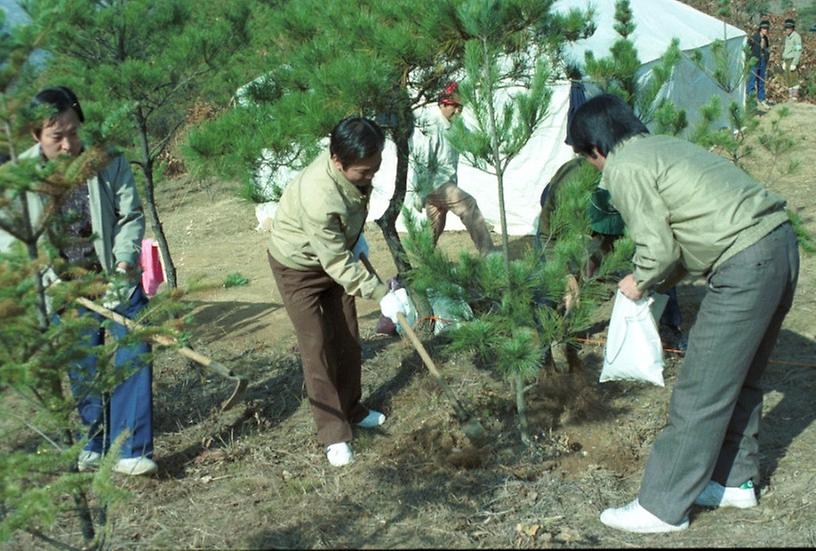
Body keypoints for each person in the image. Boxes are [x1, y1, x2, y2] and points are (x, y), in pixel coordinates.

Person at [569, 94, 799, 533]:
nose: (595, 169)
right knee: (741, 376)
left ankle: (661, 507)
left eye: (588, 160)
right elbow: (686, 235)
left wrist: (638, 281)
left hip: (745, 261)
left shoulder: (625, 165)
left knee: (700, 388)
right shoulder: (663, 147)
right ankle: (732, 481)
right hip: (779, 245)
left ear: (595, 149)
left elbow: (656, 251)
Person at [10, 86, 156, 476]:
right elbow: (11, 240)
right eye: (57, 137)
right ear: (35, 136)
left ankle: (132, 449)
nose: (69, 144)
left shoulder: (108, 159)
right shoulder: (19, 177)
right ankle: (95, 441)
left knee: (132, 350)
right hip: (62, 285)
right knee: (83, 370)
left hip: (113, 275)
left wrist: (125, 264)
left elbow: (129, 215)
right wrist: (45, 278)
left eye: (73, 132)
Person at [267, 116, 410, 467]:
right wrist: (381, 293)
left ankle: (352, 407)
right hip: (297, 267)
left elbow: (344, 232)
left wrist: (354, 236)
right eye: (364, 172)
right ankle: (333, 432)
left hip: (335, 255)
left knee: (347, 336)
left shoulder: (354, 172)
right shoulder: (318, 195)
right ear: (336, 160)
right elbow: (336, 265)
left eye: (374, 168)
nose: (370, 176)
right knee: (316, 346)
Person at [410, 81, 494, 255]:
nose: (458, 111)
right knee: (468, 204)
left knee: (434, 227)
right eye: (454, 106)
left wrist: (486, 145)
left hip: (445, 183)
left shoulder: (455, 126)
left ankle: (423, 261)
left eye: (460, 107)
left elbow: (471, 142)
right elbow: (422, 161)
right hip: (434, 183)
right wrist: (418, 192)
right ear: (442, 104)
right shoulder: (432, 126)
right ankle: (489, 254)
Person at [746, 20, 771, 109]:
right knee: (752, 81)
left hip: (763, 60)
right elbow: (747, 47)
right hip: (755, 61)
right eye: (764, 28)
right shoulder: (755, 37)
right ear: (760, 29)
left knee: (761, 81)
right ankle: (751, 100)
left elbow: (767, 49)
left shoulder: (766, 39)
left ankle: (762, 99)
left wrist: (767, 57)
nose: (766, 30)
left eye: (767, 29)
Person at [782, 18, 803, 101]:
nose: (787, 29)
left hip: (792, 59)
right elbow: (786, 49)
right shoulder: (787, 37)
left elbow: (798, 50)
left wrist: (795, 63)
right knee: (788, 79)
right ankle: (790, 96)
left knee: (794, 79)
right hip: (786, 60)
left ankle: (794, 97)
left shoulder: (796, 37)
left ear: (792, 28)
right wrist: (783, 61)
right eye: (786, 28)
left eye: (789, 27)